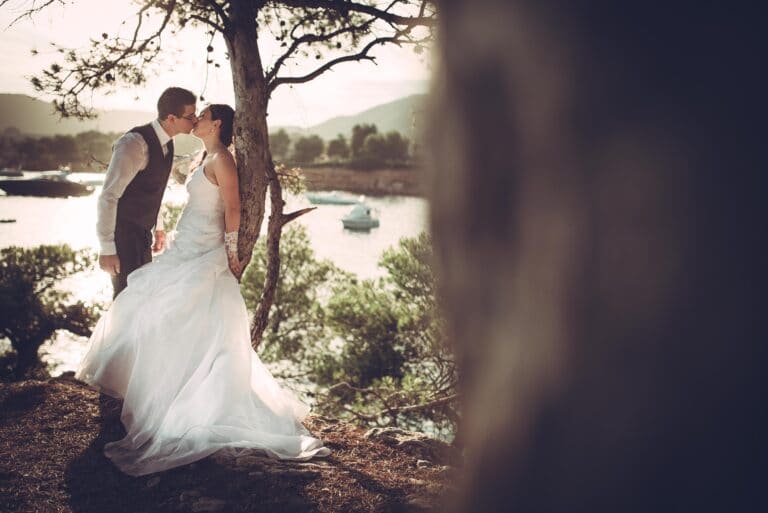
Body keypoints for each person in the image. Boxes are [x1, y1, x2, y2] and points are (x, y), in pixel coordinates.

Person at [76, 104, 329, 476]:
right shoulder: (202, 155)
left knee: (180, 318)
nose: (196, 119)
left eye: (203, 114)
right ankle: (154, 392)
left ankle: (181, 402)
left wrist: (231, 254)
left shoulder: (223, 159)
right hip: (185, 246)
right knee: (147, 308)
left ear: (217, 123)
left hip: (205, 253)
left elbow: (232, 207)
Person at [97, 87, 197, 299]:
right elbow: (108, 196)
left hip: (142, 236)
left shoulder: (168, 144)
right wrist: (107, 248)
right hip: (122, 237)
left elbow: (155, 189)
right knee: (125, 300)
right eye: (190, 116)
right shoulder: (134, 143)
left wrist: (158, 228)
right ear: (171, 118)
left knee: (140, 301)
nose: (195, 120)